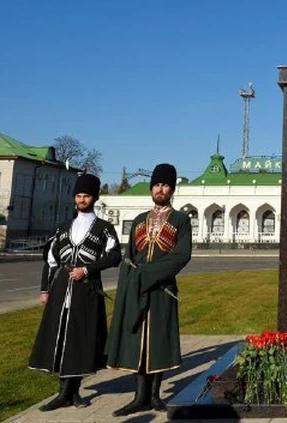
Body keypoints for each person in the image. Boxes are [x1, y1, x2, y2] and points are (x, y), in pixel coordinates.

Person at [28, 173, 120, 411]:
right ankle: (62, 393)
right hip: (61, 291)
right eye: (78, 195)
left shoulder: (104, 228)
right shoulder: (63, 227)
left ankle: (75, 391)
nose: (82, 199)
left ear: (94, 198)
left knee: (81, 339)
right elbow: (50, 260)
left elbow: (114, 256)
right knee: (60, 338)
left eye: (86, 195)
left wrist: (87, 270)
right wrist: (44, 290)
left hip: (86, 291)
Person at [107, 163, 192, 416]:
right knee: (136, 339)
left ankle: (155, 396)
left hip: (162, 288)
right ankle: (139, 397)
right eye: (157, 184)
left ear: (172, 189)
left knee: (157, 339)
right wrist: (129, 285)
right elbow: (129, 257)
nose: (160, 189)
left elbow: (181, 256)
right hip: (136, 288)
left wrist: (149, 274)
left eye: (165, 185)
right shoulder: (139, 220)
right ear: (151, 187)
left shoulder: (180, 220)